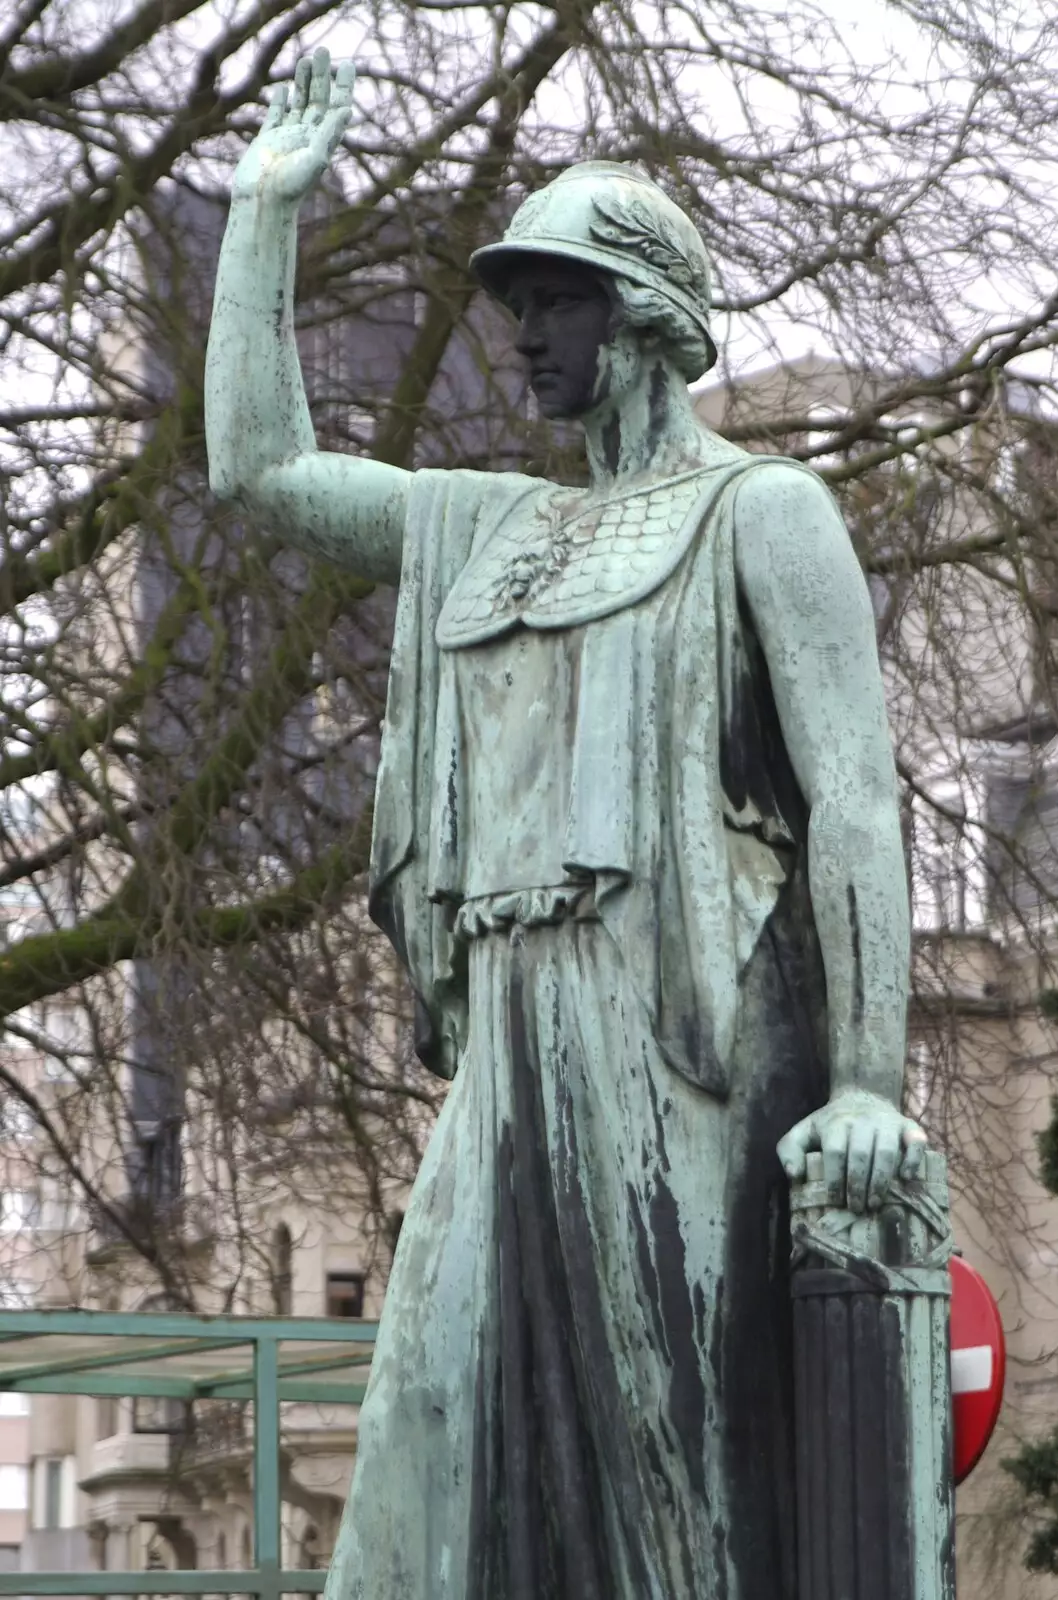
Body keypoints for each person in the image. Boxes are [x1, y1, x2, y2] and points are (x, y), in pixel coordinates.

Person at [206, 47, 926, 1600]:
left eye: (559, 301)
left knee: (667, 1451)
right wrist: (262, 219)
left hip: (682, 1035)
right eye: (516, 303)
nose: (523, 335)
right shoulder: (489, 524)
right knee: (435, 1395)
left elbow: (858, 794)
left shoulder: (763, 512)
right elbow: (258, 472)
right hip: (515, 1021)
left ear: (646, 319)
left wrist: (869, 1081)